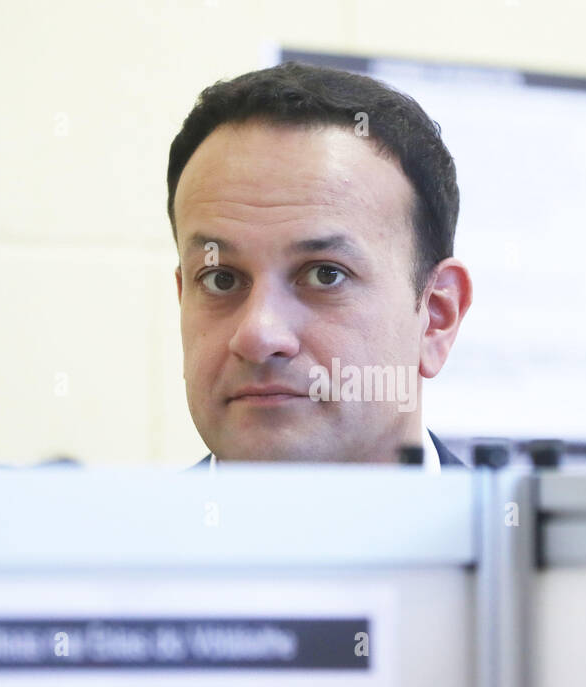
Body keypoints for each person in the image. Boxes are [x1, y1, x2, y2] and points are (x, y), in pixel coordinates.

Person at [167, 62, 472, 470]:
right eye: (221, 279)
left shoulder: (517, 534)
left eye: (325, 274)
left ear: (437, 316)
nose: (258, 335)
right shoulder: (113, 536)